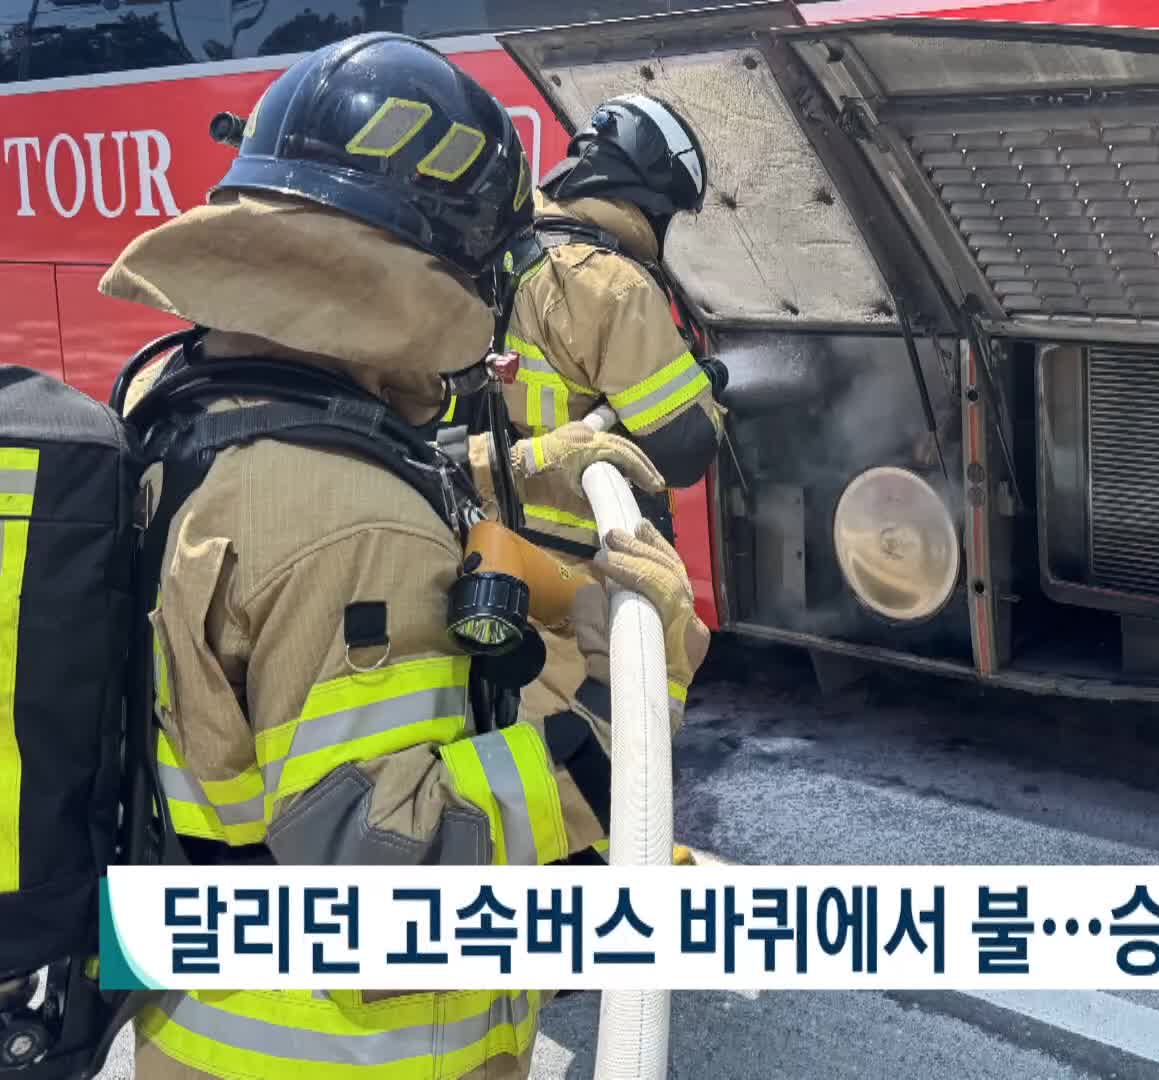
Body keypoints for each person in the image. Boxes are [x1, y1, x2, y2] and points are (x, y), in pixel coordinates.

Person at [99, 32, 706, 1077]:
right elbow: (395, 879)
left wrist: (517, 460)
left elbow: (307, 478)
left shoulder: (180, 402)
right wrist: (624, 703)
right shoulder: (356, 529)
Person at [446, 90, 724, 743]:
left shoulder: (498, 257)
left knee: (504, 735)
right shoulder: (611, 282)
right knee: (603, 750)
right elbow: (685, 446)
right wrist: (702, 387)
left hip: (483, 554)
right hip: (584, 579)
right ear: (651, 200)